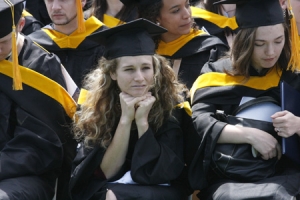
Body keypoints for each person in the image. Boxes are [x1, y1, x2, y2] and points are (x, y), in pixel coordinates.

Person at [189, 0, 300, 199]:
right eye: (260, 44)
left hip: (282, 173)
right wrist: (249, 135)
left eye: (278, 41)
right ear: (244, 41)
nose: (271, 52)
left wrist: (298, 124)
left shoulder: (291, 78)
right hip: (229, 175)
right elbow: (201, 121)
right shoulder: (215, 72)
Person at [69, 18, 191, 200]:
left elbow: (160, 173)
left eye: (145, 68)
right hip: (114, 188)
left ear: (155, 69)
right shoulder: (96, 107)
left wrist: (142, 123)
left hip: (162, 187)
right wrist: (125, 120)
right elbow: (107, 173)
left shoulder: (173, 105)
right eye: (129, 70)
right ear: (112, 73)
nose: (140, 77)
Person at [0, 0, 77, 199]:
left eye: (2, 43)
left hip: (25, 176)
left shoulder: (41, 67)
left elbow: (41, 145)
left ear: (20, 26)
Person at [121, 0, 229, 90]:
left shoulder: (212, 50)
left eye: (187, 5)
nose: (187, 14)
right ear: (156, 17)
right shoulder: (144, 53)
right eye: (176, 11)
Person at [28, 0, 108, 89]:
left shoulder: (104, 39)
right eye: (49, 0)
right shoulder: (34, 45)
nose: (55, 7)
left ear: (82, 1)